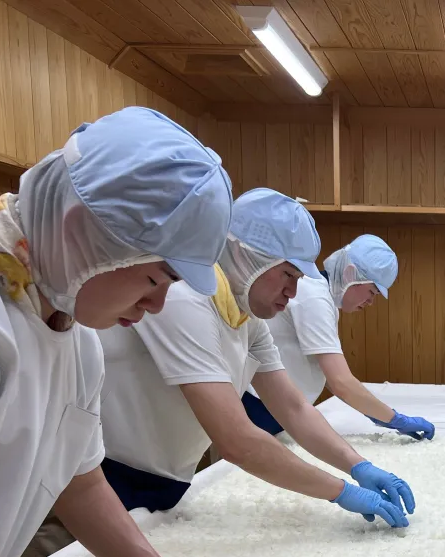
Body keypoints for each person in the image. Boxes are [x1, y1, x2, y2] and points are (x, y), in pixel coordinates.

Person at [0, 107, 268, 557]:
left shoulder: (72, 329)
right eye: (155, 279)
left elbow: (79, 484)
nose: (156, 306)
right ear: (81, 230)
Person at [98, 189, 416, 528]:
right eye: (288, 274)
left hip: (164, 480)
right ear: (247, 254)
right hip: (111, 476)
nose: (293, 292)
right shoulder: (184, 300)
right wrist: (341, 491)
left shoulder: (245, 318)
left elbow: (293, 408)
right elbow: (236, 440)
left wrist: (358, 465)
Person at [241, 234, 434, 441]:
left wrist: (378, 414)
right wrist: (394, 419)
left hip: (273, 407)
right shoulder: (314, 297)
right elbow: (341, 382)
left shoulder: (322, 297)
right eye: (372, 292)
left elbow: (329, 375)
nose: (370, 302)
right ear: (351, 274)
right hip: (260, 409)